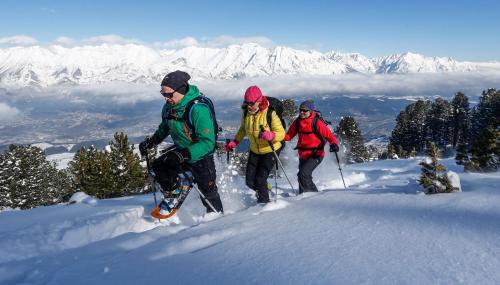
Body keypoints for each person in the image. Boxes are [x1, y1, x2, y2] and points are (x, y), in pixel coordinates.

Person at [139, 70, 223, 214]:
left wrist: (183, 154)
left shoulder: (198, 109)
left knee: (207, 191)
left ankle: (216, 217)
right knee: (159, 167)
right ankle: (174, 192)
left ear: (181, 90)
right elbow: (165, 126)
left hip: (201, 155)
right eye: (163, 94)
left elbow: (208, 143)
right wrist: (152, 141)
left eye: (169, 94)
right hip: (182, 151)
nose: (166, 98)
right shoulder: (169, 108)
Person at [224, 86, 285, 204]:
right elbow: (243, 129)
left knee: (260, 180)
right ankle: (264, 189)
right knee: (249, 181)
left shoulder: (270, 113)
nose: (249, 106)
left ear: (259, 100)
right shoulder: (246, 112)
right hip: (255, 150)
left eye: (251, 103)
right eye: (247, 103)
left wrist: (271, 135)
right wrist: (235, 142)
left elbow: (281, 133)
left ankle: (264, 206)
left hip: (270, 150)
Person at [284, 100, 340, 194]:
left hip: (316, 154)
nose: (302, 112)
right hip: (303, 154)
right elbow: (288, 136)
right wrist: (274, 136)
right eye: (300, 110)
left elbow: (330, 136)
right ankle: (304, 196)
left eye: (305, 110)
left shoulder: (317, 122)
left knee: (303, 174)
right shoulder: (297, 122)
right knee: (302, 176)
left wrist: (334, 144)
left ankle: (314, 196)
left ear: (311, 111)